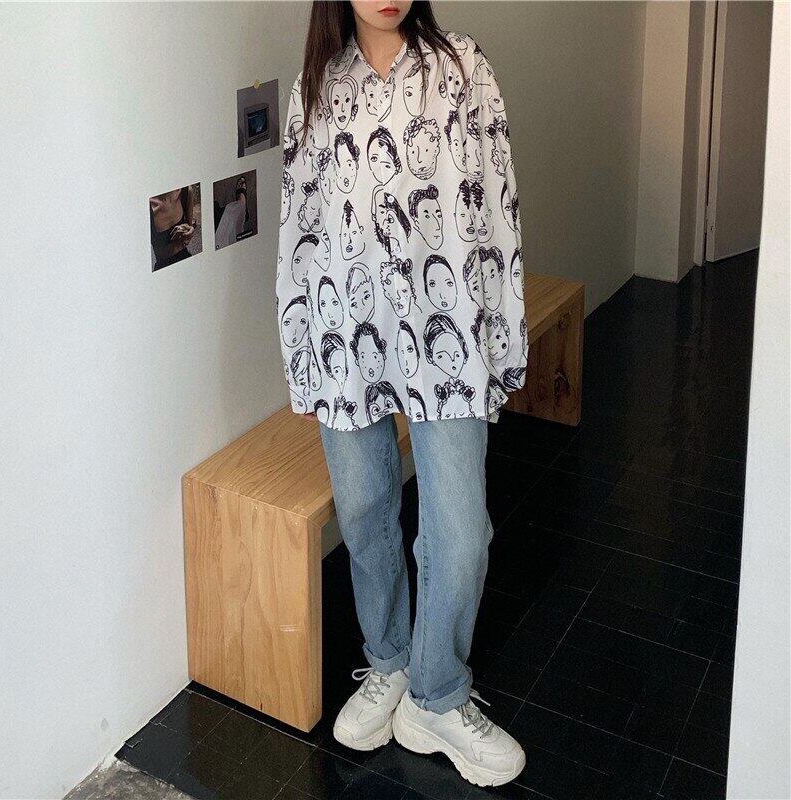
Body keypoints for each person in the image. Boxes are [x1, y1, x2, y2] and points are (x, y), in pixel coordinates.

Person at [275, 0, 528, 788]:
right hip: (345, 334)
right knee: (364, 510)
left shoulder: (463, 67)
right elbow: (299, 228)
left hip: (449, 337)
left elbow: (498, 210)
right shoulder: (315, 87)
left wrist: (504, 336)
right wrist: (302, 351)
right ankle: (387, 660)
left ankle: (437, 693)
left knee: (461, 531)